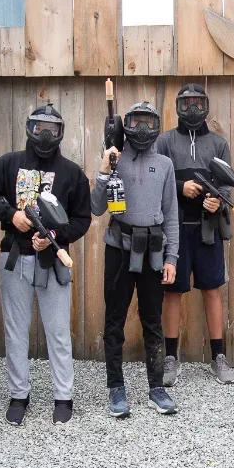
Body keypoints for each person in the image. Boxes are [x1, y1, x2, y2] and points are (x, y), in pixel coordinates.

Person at [0, 105, 92, 426]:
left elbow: (83, 219)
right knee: (15, 332)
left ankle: (63, 396)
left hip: (53, 260)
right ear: (29, 127)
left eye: (52, 129)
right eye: (39, 127)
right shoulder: (8, 164)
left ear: (60, 133)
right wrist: (11, 214)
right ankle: (18, 395)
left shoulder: (72, 173)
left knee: (57, 332)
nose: (45, 134)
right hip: (14, 258)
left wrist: (55, 234)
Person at [91, 101, 179, 418]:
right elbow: (97, 208)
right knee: (114, 321)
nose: (142, 129)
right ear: (126, 125)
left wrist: (172, 257)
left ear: (156, 126)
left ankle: (157, 387)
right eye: (136, 122)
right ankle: (116, 387)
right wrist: (104, 171)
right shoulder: (114, 159)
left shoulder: (165, 164)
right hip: (119, 246)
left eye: (148, 122)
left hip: (153, 250)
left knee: (152, 320)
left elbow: (171, 216)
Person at [156, 83, 234, 386]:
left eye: (197, 103)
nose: (192, 109)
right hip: (173, 229)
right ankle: (170, 357)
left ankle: (219, 357)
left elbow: (227, 183)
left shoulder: (218, 144)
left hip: (207, 228)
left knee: (212, 290)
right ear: (178, 106)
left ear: (206, 106)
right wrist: (180, 187)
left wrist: (218, 200)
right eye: (187, 103)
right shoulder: (164, 141)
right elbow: (156, 178)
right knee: (172, 292)